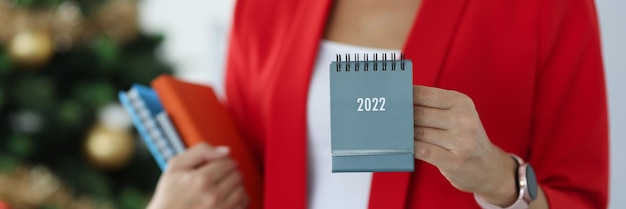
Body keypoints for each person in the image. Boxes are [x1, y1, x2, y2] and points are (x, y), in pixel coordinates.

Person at [146, 0, 609, 208]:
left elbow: (582, 197)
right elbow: (249, 177)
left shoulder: (548, 6)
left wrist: (501, 182)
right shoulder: (263, 5)